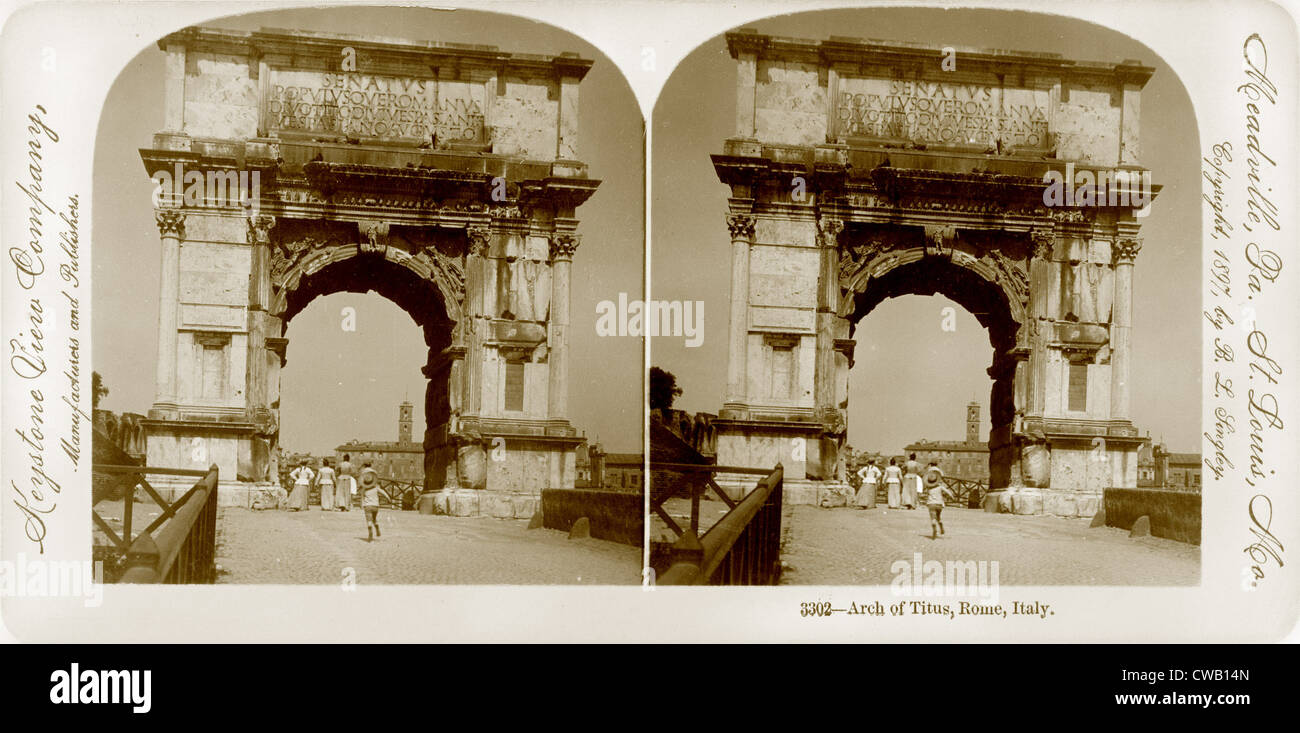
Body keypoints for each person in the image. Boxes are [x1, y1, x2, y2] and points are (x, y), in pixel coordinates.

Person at [923, 462, 955, 539]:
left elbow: (926, 494)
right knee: (938, 517)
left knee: (933, 518)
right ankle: (940, 525)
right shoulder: (940, 487)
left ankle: (934, 525)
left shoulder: (929, 488)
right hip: (939, 504)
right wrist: (952, 497)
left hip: (931, 504)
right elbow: (948, 492)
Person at [358, 461, 381, 541]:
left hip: (367, 506)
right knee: (374, 519)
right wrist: (388, 499)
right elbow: (384, 493)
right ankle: (377, 526)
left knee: (369, 520)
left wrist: (361, 504)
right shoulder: (373, 472)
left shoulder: (363, 472)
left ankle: (370, 531)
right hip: (376, 506)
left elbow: (361, 496)